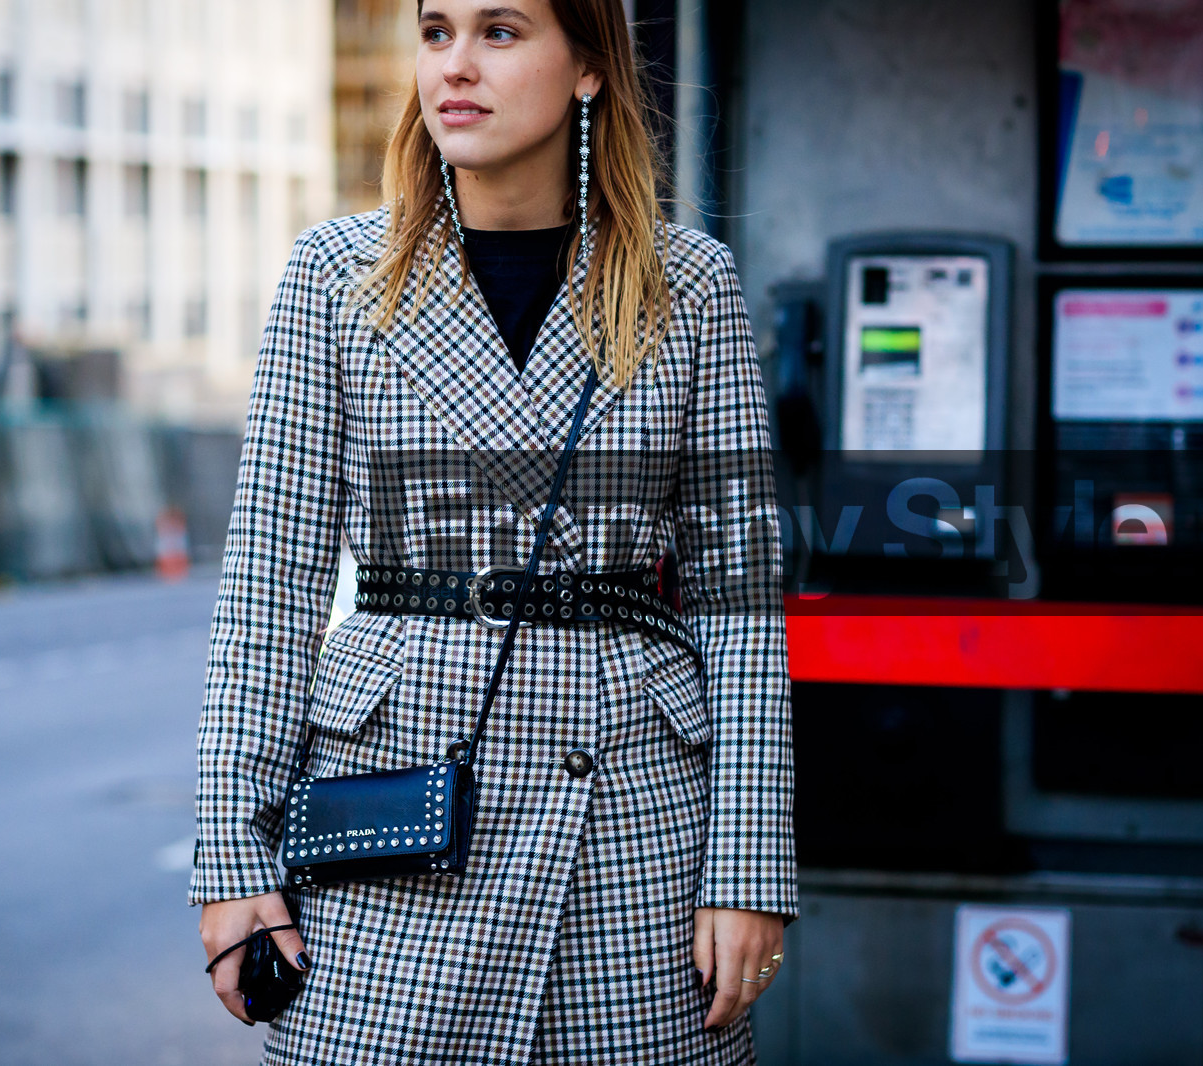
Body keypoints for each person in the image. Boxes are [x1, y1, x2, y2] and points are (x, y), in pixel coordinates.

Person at [192, 0, 797, 1061]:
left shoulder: (687, 284)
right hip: (396, 814)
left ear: (588, 69)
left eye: (500, 31)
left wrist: (746, 867)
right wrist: (235, 857)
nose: (455, 67)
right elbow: (267, 592)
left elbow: (737, 602)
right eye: (435, 33)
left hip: (628, 828)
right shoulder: (336, 278)